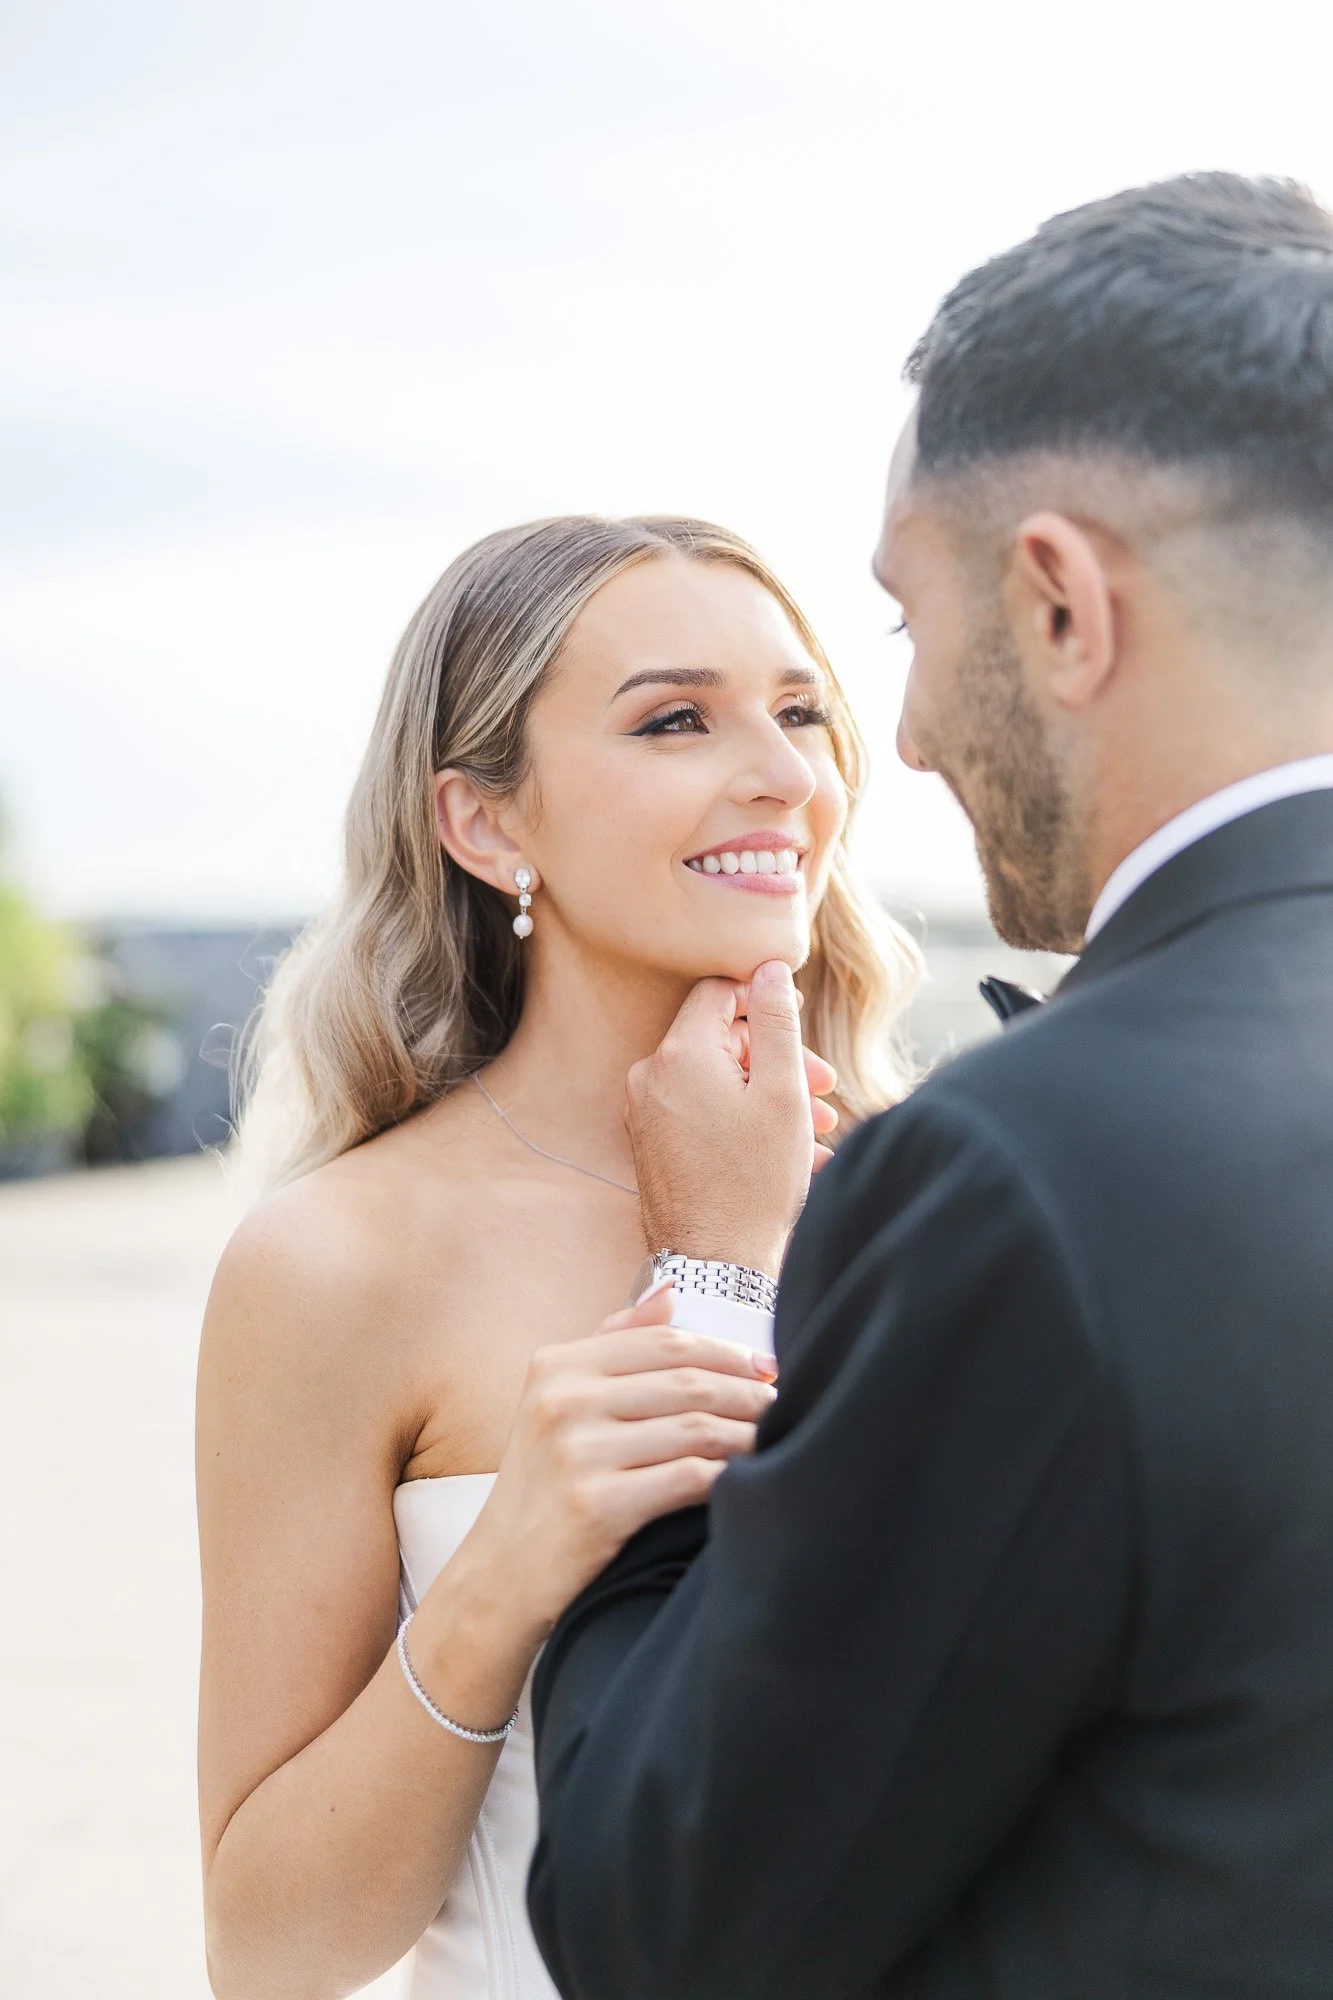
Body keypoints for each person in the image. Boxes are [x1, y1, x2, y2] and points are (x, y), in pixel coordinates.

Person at [527, 172, 1333, 1998]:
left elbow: (668, 1919)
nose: (891, 747)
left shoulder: (1021, 1171)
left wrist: (720, 1291)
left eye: (904, 627)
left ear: (1057, 604)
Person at [194, 514, 919, 1999]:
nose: (783, 773)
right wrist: (505, 1571)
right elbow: (272, 1953)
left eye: (801, 714)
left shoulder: (937, 1199)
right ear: (487, 825)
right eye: (674, 719)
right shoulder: (338, 1264)